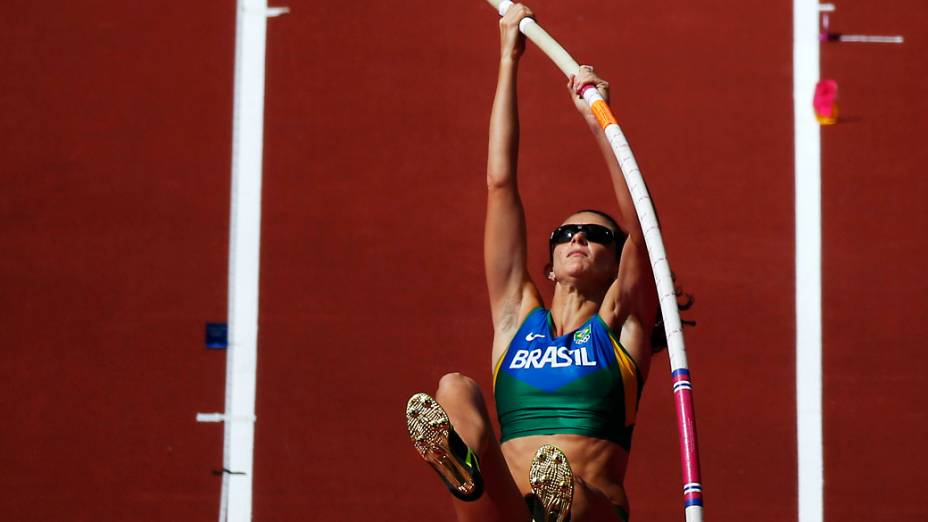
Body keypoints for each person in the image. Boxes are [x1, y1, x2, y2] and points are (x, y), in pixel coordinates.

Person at [406, 3, 666, 520]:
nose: (577, 239)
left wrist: (599, 120)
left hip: (590, 509)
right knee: (454, 389)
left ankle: (554, 502)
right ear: (547, 264)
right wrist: (508, 57)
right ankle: (463, 467)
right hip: (502, 506)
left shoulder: (624, 330)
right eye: (566, 233)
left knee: (565, 486)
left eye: (595, 235)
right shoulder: (516, 321)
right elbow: (499, 185)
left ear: (617, 264)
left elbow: (641, 224)